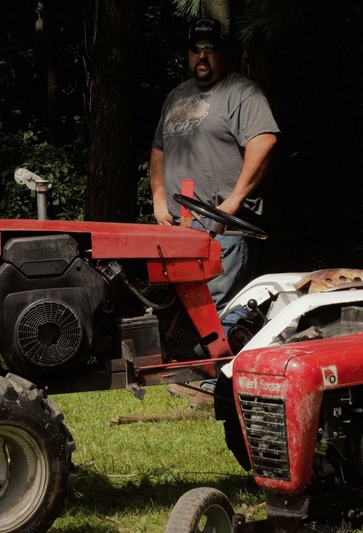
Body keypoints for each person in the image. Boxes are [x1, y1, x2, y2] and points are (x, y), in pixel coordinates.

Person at [151, 19, 279, 407]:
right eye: (195, 49)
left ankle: (217, 386)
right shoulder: (176, 96)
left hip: (222, 224)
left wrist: (233, 202)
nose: (202, 56)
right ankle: (201, 373)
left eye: (210, 48)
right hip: (181, 225)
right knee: (196, 305)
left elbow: (264, 142)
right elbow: (158, 151)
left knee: (224, 302)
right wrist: (158, 197)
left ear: (223, 52)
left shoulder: (242, 93)